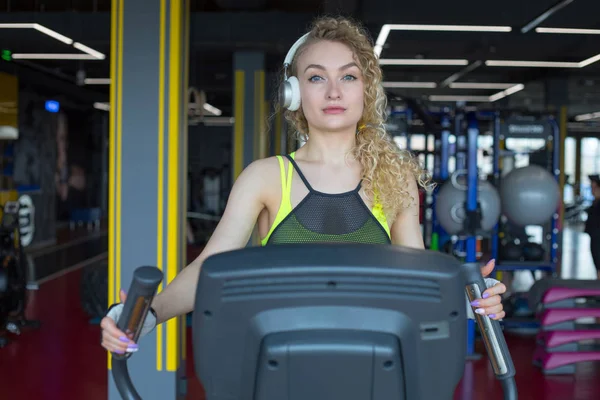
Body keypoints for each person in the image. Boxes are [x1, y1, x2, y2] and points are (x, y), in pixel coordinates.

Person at [100, 16, 507, 355]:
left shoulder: (393, 176)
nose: (333, 91)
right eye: (316, 78)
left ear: (365, 90)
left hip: (374, 361)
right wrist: (149, 315)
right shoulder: (265, 177)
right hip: (280, 362)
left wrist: (470, 300)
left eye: (348, 77)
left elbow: (417, 277)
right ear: (295, 94)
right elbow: (209, 267)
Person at [585, 174, 600, 279]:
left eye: (595, 188)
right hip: (595, 241)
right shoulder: (595, 204)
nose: (592, 190)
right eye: (591, 187)